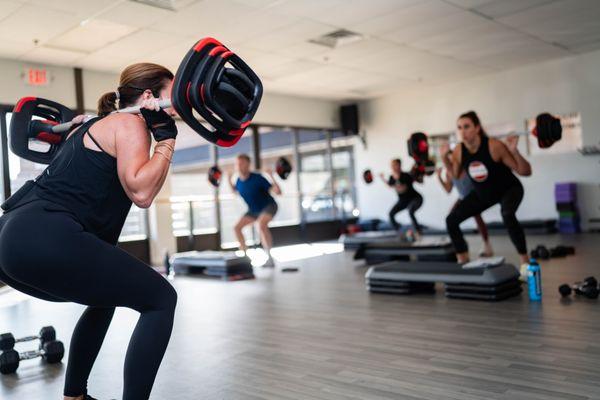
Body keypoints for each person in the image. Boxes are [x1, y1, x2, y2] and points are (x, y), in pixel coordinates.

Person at [0, 63, 178, 400]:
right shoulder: (130, 124)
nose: (178, 104)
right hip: (43, 235)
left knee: (104, 299)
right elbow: (141, 193)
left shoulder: (90, 127)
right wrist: (166, 142)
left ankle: (74, 397)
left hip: (13, 238)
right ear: (149, 97)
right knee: (161, 299)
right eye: (171, 93)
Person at [442, 111, 531, 265]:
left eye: (467, 126)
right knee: (451, 220)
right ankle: (462, 259)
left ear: (477, 128)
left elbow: (525, 171)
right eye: (459, 128)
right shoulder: (459, 150)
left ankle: (525, 262)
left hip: (509, 189)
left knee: (507, 214)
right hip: (484, 193)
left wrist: (515, 151)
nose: (462, 131)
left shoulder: (494, 146)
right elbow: (455, 175)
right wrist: (444, 159)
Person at [227, 154, 281, 267]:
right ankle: (245, 259)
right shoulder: (238, 181)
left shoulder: (258, 178)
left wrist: (271, 176)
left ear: (248, 165)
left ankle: (270, 259)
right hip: (253, 210)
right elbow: (234, 191)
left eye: (242, 163)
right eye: (237, 164)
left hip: (269, 206)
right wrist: (228, 179)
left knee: (261, 225)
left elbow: (278, 192)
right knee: (236, 228)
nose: (239, 166)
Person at [437, 165, 493, 257]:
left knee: (477, 217)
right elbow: (448, 190)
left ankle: (487, 245)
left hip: (473, 197)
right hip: (462, 198)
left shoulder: (466, 168)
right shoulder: (449, 173)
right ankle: (460, 243)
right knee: (451, 218)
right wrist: (439, 177)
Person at [379, 158, 423, 239]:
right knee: (391, 214)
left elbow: (403, 189)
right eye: (392, 165)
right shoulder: (391, 177)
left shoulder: (405, 176)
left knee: (410, 211)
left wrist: (395, 184)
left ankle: (418, 231)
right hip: (403, 201)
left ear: (399, 166)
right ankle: (400, 231)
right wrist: (382, 178)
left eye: (395, 165)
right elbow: (389, 185)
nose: (393, 167)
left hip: (415, 198)